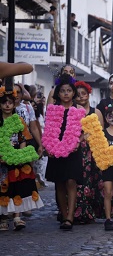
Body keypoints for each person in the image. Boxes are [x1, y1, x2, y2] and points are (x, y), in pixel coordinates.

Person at [44, 74, 85, 230]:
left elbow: (86, 131)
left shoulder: (79, 110)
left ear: (73, 92)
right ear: (58, 93)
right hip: (55, 149)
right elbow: (47, 130)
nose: (66, 93)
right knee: (59, 183)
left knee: (71, 181)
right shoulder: (52, 110)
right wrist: (48, 146)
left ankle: (70, 216)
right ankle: (63, 213)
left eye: (69, 90)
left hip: (73, 150)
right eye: (63, 91)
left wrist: (78, 141)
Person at [0, 88, 44, 231]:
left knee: (17, 186)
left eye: (10, 102)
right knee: (3, 187)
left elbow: (22, 138)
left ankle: (17, 216)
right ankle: (4, 217)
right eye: (4, 102)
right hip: (2, 160)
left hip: (16, 158)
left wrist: (20, 154)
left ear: (14, 104)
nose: (7, 105)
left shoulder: (18, 120)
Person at [72, 81, 97, 224]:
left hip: (91, 151)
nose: (81, 97)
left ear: (88, 94)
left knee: (89, 182)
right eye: (78, 94)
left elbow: (102, 133)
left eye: (84, 94)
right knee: (75, 180)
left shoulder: (95, 112)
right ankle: (74, 212)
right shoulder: (73, 111)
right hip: (75, 148)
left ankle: (87, 211)